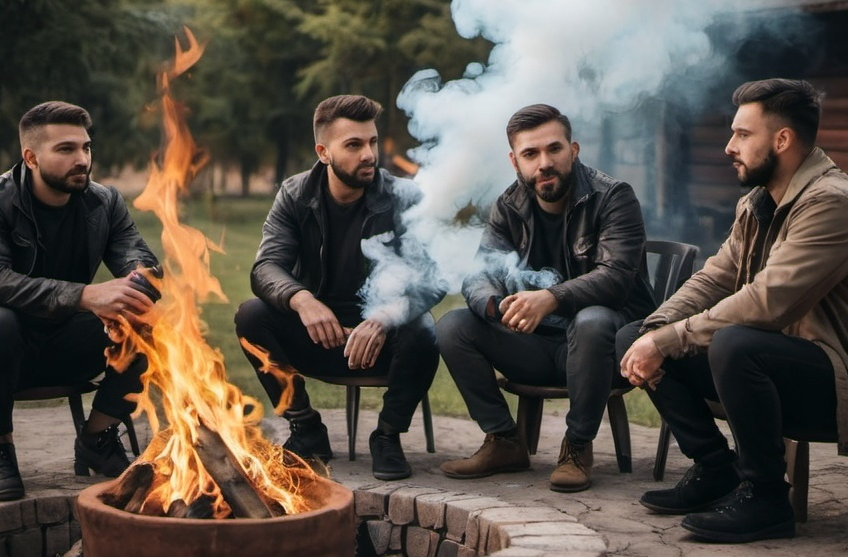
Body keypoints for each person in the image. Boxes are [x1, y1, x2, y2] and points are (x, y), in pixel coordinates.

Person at [618, 78, 848, 543]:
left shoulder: (831, 203)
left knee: (735, 343)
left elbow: (766, 303)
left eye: (743, 134)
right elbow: (715, 277)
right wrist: (656, 330)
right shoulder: (760, 203)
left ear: (782, 140)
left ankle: (766, 499)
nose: (729, 146)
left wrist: (667, 340)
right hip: (795, 364)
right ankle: (715, 469)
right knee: (636, 333)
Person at [437, 104, 656, 492]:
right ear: (514, 161)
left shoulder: (613, 197)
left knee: (592, 320)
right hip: (537, 347)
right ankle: (504, 440)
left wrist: (550, 298)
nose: (544, 163)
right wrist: (494, 305)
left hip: (605, 350)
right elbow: (480, 273)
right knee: (454, 325)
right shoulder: (507, 206)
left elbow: (615, 279)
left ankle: (577, 446)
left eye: (554, 149)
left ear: (573, 150)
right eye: (530, 154)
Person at [0, 101, 160, 502]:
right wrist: (85, 295)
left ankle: (97, 438)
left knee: (143, 322)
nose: (81, 159)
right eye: (65, 149)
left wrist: (136, 284)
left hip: (63, 343)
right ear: (31, 157)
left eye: (85, 147)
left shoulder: (105, 202)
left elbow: (139, 257)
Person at [234, 95, 442, 481]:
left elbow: (434, 277)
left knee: (424, 328)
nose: (369, 154)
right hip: (319, 338)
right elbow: (266, 267)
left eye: (372, 142)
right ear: (323, 152)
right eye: (354, 145)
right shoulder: (296, 194)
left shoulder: (403, 198)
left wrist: (385, 317)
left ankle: (388, 436)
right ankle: (305, 428)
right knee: (252, 315)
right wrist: (302, 299)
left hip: (383, 343)